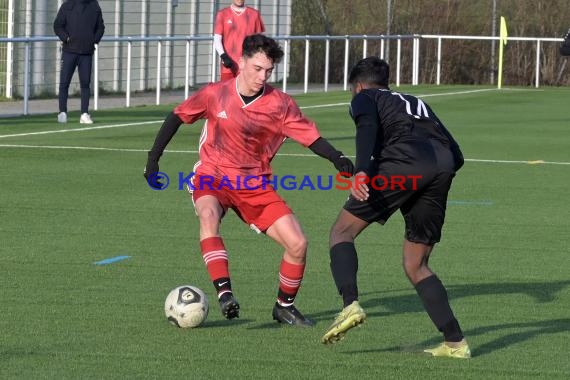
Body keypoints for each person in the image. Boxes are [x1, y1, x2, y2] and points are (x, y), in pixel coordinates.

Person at [144, 34, 354, 326]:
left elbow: (310, 137)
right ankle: (224, 293)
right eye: (257, 68)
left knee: (298, 243)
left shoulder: (280, 104)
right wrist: (153, 159)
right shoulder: (215, 93)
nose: (262, 76)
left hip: (253, 184)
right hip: (212, 175)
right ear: (241, 62)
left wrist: (337, 157)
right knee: (208, 215)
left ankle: (284, 307)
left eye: (268, 71)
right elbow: (177, 116)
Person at [320, 57, 470, 359]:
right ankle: (456, 343)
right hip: (443, 167)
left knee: (341, 232)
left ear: (358, 85)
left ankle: (349, 304)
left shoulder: (365, 97)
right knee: (416, 264)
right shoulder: (416, 101)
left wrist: (362, 170)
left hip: (404, 163)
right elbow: (457, 152)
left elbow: (368, 127)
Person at [53, 0, 105, 124]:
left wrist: (94, 40)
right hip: (69, 51)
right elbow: (57, 25)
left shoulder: (94, 5)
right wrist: (65, 37)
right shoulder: (67, 5)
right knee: (64, 83)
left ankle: (84, 113)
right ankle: (62, 113)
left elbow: (101, 27)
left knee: (85, 84)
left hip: (86, 53)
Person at [213, 0, 265, 81]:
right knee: (227, 92)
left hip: (248, 65)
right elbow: (217, 39)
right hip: (229, 66)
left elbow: (259, 40)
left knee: (246, 93)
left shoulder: (254, 14)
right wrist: (223, 56)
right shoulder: (222, 14)